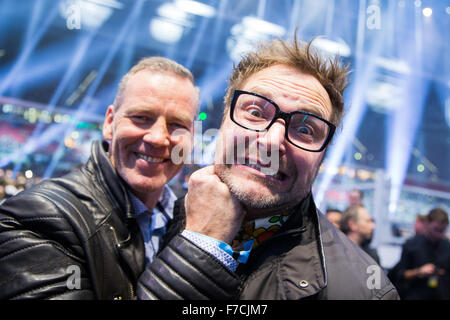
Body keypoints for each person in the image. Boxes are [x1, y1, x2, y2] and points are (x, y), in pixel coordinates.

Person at [137, 36, 399, 299]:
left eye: (306, 129)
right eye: (255, 112)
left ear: (323, 157)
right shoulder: (148, 224)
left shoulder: (366, 292)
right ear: (225, 118)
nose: (272, 141)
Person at [0, 57, 240, 300]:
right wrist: (198, 245)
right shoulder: (39, 217)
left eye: (177, 124)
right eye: (141, 117)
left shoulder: (185, 215)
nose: (157, 138)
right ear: (109, 123)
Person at [392, 208, 450, 300]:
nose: (439, 235)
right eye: (436, 230)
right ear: (427, 224)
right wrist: (418, 272)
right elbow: (400, 275)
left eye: (442, 231)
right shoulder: (411, 245)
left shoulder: (447, 247)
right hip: (415, 295)